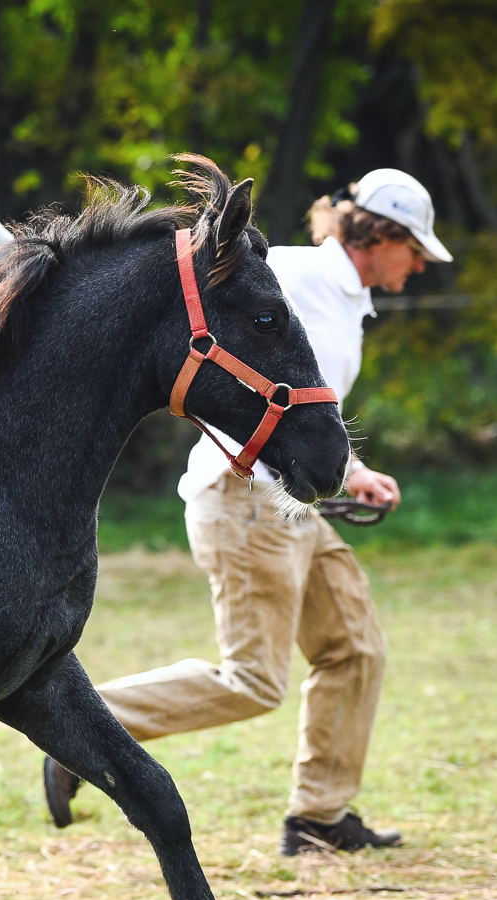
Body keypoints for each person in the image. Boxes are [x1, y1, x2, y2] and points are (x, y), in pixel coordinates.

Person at [43, 168, 453, 855]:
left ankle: (319, 820)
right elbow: (245, 394)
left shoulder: (343, 296)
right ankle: (86, 728)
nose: (417, 266)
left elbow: (299, 410)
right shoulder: (296, 283)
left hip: (285, 507)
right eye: (413, 249)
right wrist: (340, 470)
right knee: (254, 680)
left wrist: (350, 472)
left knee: (355, 650)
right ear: (378, 235)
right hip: (245, 503)